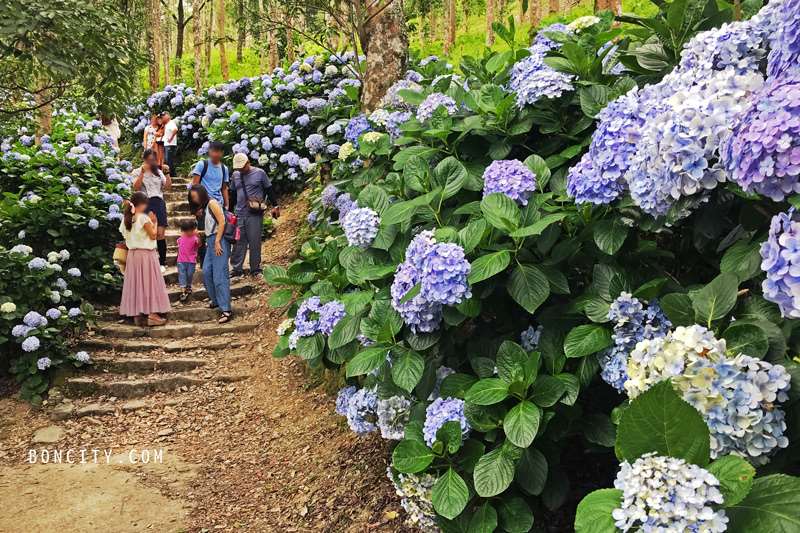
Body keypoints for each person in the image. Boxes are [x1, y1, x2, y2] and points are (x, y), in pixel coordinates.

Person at [119, 191, 171, 327]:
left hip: (133, 255)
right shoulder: (143, 218)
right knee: (149, 284)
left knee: (136, 284)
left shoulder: (126, 219)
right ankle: (152, 314)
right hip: (146, 255)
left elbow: (126, 237)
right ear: (141, 204)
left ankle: (137, 314)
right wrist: (154, 222)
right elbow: (154, 235)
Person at [229, 153, 280, 278]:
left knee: (254, 241)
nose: (241, 170)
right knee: (238, 242)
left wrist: (275, 205)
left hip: (255, 213)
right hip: (240, 213)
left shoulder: (260, 173)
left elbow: (269, 189)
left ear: (248, 162)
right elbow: (233, 194)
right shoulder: (235, 175)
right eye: (239, 168)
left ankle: (255, 269)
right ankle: (237, 269)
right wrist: (230, 211)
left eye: (243, 167)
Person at [189, 184, 232, 323]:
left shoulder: (212, 203)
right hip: (210, 240)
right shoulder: (205, 207)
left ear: (201, 194)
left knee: (220, 275)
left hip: (219, 241)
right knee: (207, 271)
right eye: (192, 198)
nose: (194, 200)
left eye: (195, 197)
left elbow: (222, 221)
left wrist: (218, 241)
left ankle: (226, 309)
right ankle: (216, 300)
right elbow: (210, 227)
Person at [131, 149, 171, 269]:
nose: (151, 163)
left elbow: (168, 187)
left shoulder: (158, 172)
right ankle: (148, 262)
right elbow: (136, 188)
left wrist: (167, 172)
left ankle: (162, 262)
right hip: (144, 203)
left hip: (158, 202)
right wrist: (142, 173)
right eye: (148, 161)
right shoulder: (137, 171)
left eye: (153, 160)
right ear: (144, 160)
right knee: (147, 233)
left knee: (160, 233)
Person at [176, 219, 201, 302]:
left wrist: (198, 236)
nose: (188, 232)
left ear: (193, 230)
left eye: (190, 230)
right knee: (182, 274)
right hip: (181, 260)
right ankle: (183, 291)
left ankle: (188, 286)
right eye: (186, 231)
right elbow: (178, 243)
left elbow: (199, 244)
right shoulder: (181, 238)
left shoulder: (195, 238)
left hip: (191, 261)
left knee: (190, 274)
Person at [162, 112, 179, 176]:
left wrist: (171, 138)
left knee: (169, 160)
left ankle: (172, 175)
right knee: (168, 160)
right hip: (166, 144)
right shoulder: (166, 124)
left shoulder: (171, 123)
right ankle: (173, 174)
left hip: (170, 145)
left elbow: (175, 130)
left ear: (168, 116)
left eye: (164, 116)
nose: (163, 117)